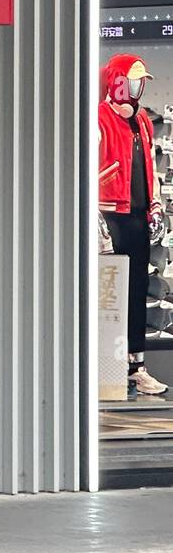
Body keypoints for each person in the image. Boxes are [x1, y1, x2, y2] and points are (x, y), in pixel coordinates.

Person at [99, 53, 167, 395]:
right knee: (107, 295)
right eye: (132, 81)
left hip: (138, 216)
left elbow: (149, 167)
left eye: (141, 83)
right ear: (117, 82)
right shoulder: (97, 118)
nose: (137, 89)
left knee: (136, 291)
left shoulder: (141, 121)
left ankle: (136, 366)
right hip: (110, 216)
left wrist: (155, 205)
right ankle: (102, 365)